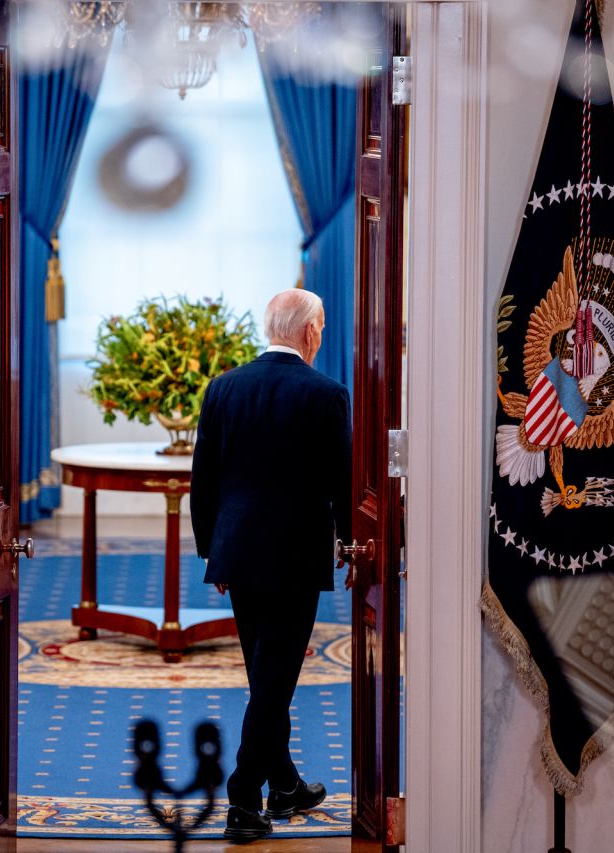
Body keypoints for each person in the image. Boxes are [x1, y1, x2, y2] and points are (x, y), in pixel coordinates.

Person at [190, 288, 353, 841]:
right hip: (295, 557)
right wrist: (352, 545)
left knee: (267, 676)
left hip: (236, 552)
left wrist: (211, 549)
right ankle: (242, 800)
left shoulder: (223, 388)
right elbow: (342, 485)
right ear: (309, 332)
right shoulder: (327, 394)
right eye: (323, 327)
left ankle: (284, 785)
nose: (322, 336)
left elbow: (203, 479)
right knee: (274, 682)